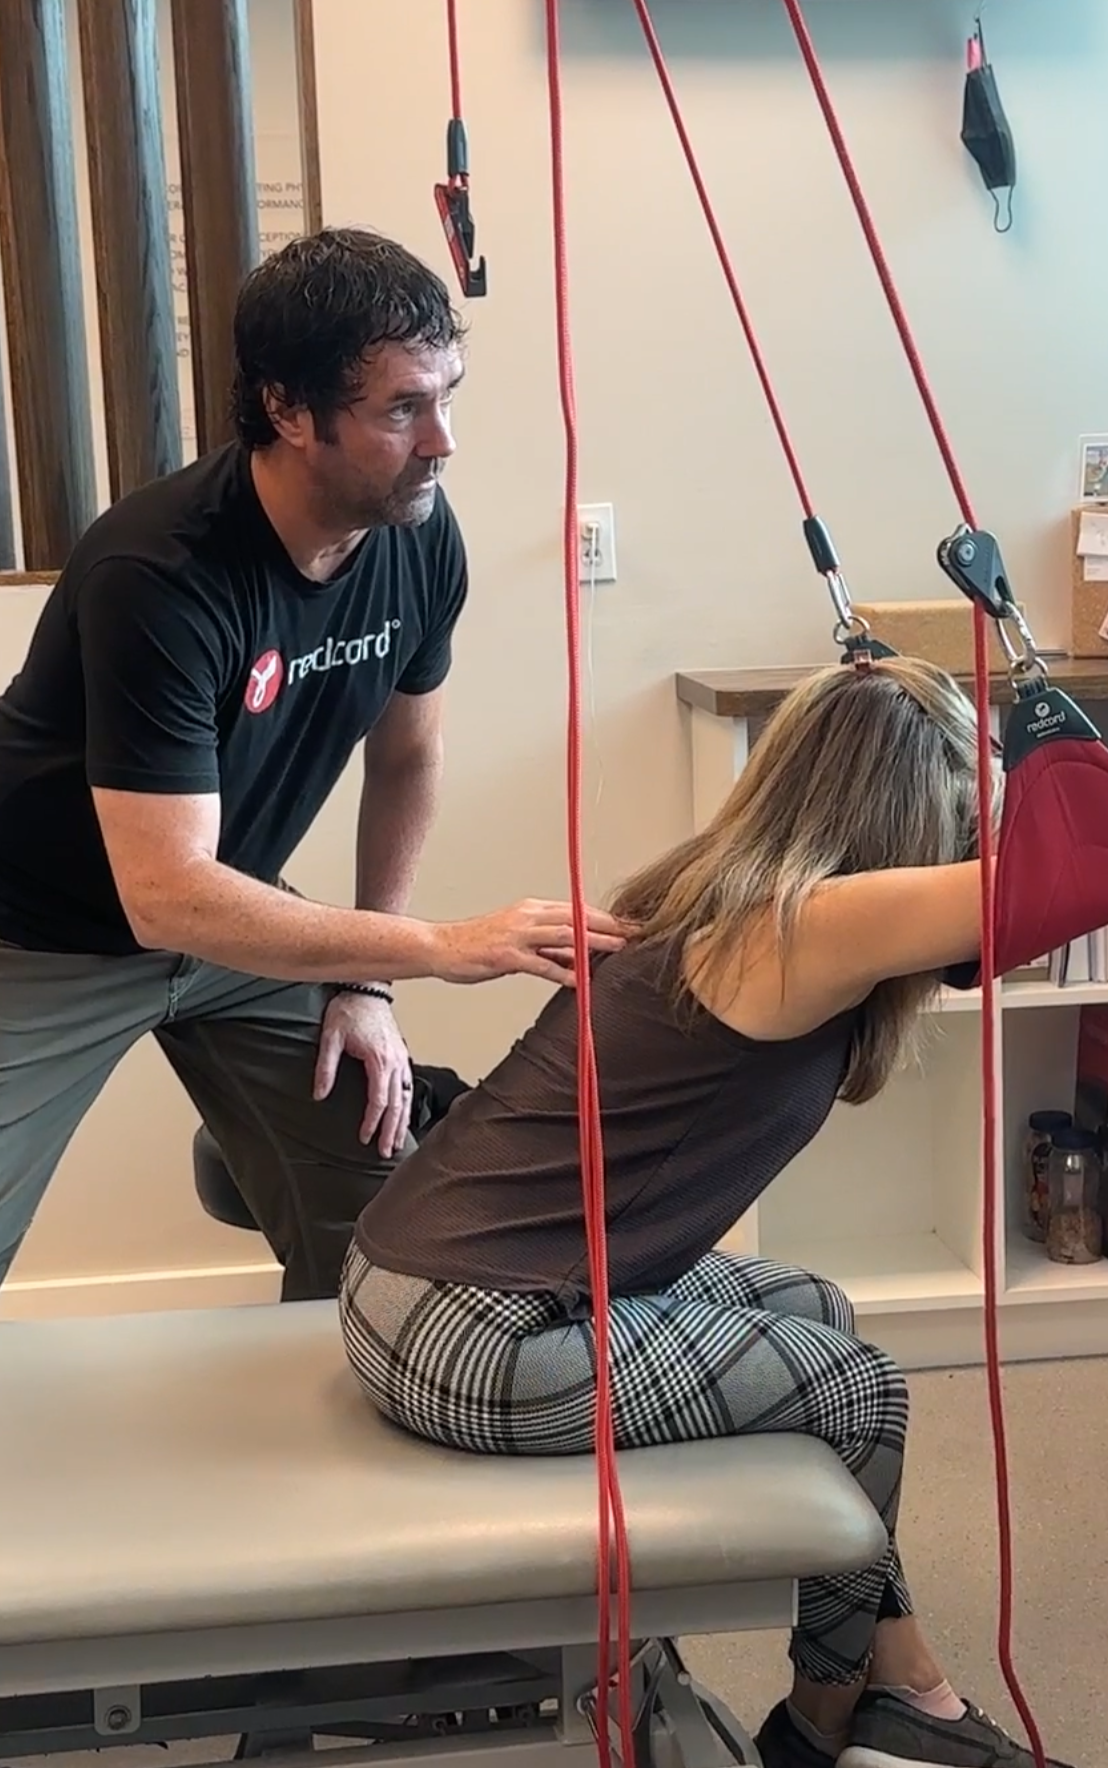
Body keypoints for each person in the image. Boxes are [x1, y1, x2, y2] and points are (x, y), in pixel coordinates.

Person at [339, 655, 1072, 1768]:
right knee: (858, 1392)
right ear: (907, 818)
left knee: (816, 1306)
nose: (979, 845)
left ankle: (907, 1688)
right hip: (471, 1325)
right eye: (971, 820)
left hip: (428, 1282)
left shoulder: (723, 905)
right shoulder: (801, 925)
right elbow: (1051, 882)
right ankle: (828, 1722)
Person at [0, 226, 624, 1327]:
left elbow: (408, 754)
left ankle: (343, 1466)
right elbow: (163, 893)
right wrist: (442, 946)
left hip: (235, 918)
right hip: (36, 933)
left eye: (449, 393)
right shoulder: (157, 573)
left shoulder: (417, 538)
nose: (443, 440)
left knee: (386, 1198)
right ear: (292, 412)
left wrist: (371, 980)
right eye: (403, 409)